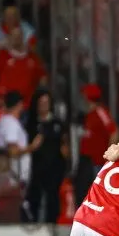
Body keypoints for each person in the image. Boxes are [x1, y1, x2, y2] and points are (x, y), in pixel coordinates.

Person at [23, 89, 68, 223]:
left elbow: (64, 144)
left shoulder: (57, 123)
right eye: (41, 103)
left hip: (55, 168)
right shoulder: (30, 123)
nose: (44, 105)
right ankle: (33, 222)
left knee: (53, 198)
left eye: (46, 102)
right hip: (36, 167)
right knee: (34, 197)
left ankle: (52, 224)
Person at [74, 84, 118, 201]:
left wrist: (110, 155)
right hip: (88, 160)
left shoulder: (100, 112)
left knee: (99, 193)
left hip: (98, 161)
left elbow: (114, 132)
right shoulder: (89, 115)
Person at [0, 90, 41, 185]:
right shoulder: (10, 123)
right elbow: (12, 151)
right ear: (19, 104)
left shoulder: (5, 121)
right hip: (14, 176)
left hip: (13, 176)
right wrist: (33, 146)